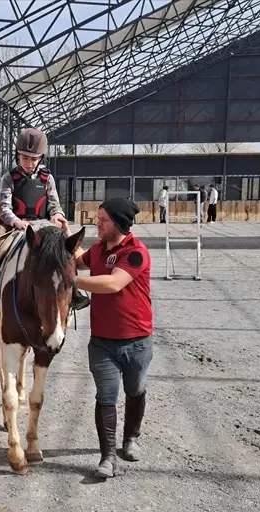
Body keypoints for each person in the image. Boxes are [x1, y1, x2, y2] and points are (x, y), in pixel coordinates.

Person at [73, 196, 154, 479]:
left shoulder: (136, 252)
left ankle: (131, 437)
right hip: (103, 342)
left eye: (104, 220)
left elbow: (112, 283)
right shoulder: (96, 250)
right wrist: (58, 240)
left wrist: (69, 279)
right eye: (98, 218)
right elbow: (76, 260)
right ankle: (107, 456)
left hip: (137, 340)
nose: (98, 223)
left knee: (135, 390)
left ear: (119, 223)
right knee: (106, 397)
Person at [0, 127, 90, 312]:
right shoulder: (9, 178)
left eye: (34, 159)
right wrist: (16, 221)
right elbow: (3, 206)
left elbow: (54, 204)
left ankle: (74, 291)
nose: (29, 163)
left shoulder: (47, 178)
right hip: (15, 225)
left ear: (41, 158)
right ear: (18, 155)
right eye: (25, 158)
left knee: (65, 249)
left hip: (44, 225)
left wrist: (57, 215)